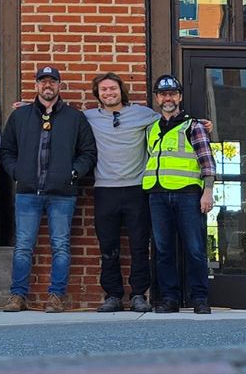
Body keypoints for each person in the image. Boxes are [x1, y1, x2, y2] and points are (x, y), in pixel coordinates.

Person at [0, 64, 96, 312]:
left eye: (52, 81)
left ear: (59, 86)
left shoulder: (75, 118)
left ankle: (56, 296)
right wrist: (17, 171)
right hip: (27, 193)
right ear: (37, 85)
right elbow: (6, 151)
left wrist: (73, 173)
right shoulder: (20, 116)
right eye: (43, 81)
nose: (47, 85)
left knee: (60, 245)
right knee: (23, 246)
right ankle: (17, 296)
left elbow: (88, 153)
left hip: (62, 194)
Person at [83, 73, 159, 312]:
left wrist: (199, 123)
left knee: (139, 245)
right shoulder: (88, 117)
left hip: (136, 189)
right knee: (108, 247)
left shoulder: (143, 114)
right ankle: (113, 295)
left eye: (112, 89)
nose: (108, 93)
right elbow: (59, 116)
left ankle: (139, 295)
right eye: (103, 90)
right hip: (105, 190)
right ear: (98, 94)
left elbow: (171, 120)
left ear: (121, 90)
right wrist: (28, 109)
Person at [143, 73, 215, 315]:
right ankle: (170, 298)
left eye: (172, 94)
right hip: (157, 195)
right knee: (163, 250)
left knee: (194, 248)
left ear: (180, 97)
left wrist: (208, 192)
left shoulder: (193, 126)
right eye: (163, 94)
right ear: (156, 99)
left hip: (187, 196)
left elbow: (207, 162)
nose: (168, 98)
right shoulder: (151, 128)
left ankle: (200, 298)